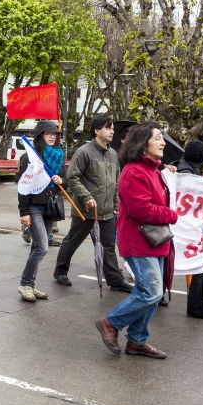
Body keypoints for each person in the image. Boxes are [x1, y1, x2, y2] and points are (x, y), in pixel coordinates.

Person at [95, 122, 178, 359]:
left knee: (150, 292)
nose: (163, 143)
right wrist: (172, 215)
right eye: (158, 138)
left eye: (163, 138)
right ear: (143, 145)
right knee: (151, 292)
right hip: (139, 241)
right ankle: (110, 323)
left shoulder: (153, 170)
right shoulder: (135, 171)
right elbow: (142, 209)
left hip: (155, 241)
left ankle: (137, 340)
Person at [54, 116, 132, 291]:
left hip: (106, 211)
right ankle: (60, 271)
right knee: (73, 241)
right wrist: (86, 197)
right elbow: (72, 178)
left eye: (112, 128)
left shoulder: (113, 154)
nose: (112, 131)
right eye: (108, 128)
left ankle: (115, 280)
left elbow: (115, 182)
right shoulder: (84, 152)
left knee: (108, 246)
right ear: (97, 131)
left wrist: (116, 205)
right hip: (86, 210)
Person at [16, 121, 67, 301]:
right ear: (40, 136)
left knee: (36, 247)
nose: (52, 136)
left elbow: (65, 181)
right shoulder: (30, 157)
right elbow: (22, 187)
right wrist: (24, 212)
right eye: (48, 133)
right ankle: (25, 284)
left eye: (55, 134)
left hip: (49, 208)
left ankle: (30, 284)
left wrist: (61, 180)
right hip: (33, 207)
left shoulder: (59, 155)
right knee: (43, 248)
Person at [170, 140, 203, 319]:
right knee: (197, 265)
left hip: (176, 226)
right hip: (185, 229)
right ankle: (197, 307)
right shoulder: (188, 174)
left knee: (168, 262)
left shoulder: (179, 168)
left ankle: (157, 297)